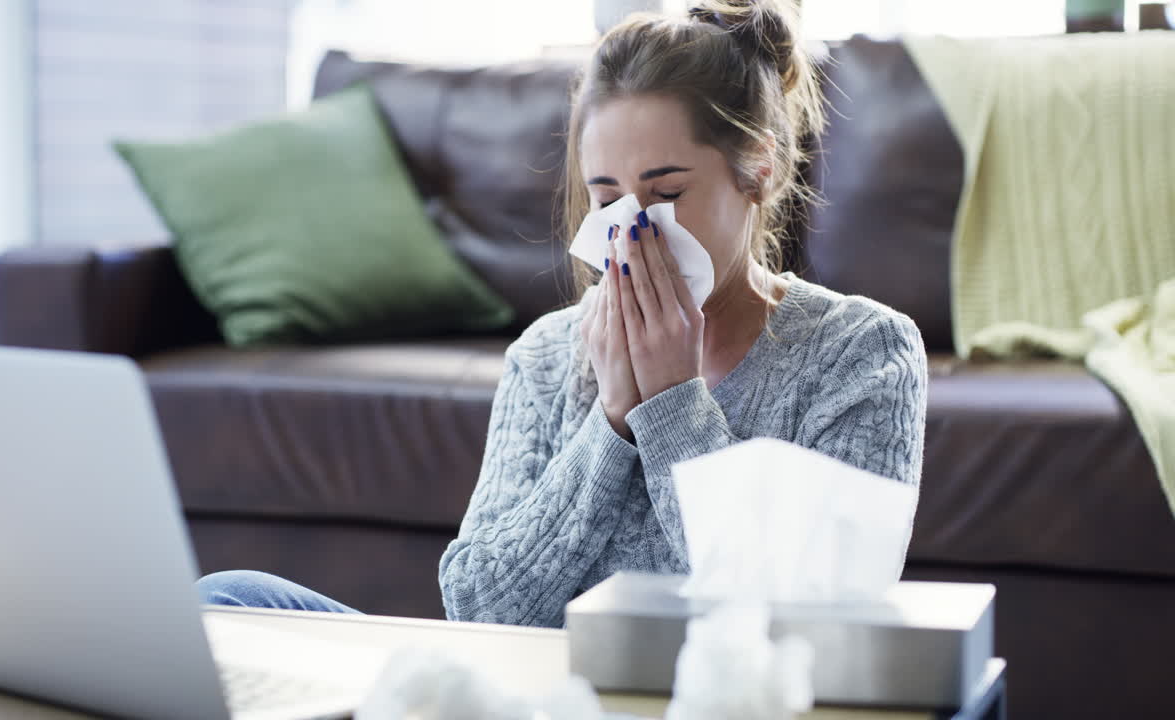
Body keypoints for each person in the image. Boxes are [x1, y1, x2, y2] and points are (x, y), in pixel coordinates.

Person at [197, 0, 928, 628]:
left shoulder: (864, 353)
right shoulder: (552, 353)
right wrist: (609, 423)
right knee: (225, 599)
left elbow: (791, 624)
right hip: (530, 696)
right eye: (608, 198)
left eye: (666, 190)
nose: (634, 228)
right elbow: (479, 612)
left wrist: (672, 405)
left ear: (757, 170)